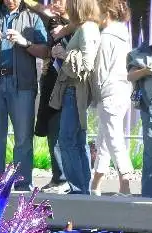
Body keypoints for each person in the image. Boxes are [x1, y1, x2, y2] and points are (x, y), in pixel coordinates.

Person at [0, 0, 49, 190]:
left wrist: (25, 42)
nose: (10, 0)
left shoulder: (32, 18)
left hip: (22, 84)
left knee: (23, 138)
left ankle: (22, 185)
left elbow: (45, 51)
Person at [49, 0, 101, 194]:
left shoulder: (86, 29)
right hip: (75, 91)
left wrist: (64, 54)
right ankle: (82, 189)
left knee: (67, 140)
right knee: (77, 141)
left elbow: (87, 64)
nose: (68, 8)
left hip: (75, 90)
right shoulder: (87, 27)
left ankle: (78, 189)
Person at [90, 0, 132, 196]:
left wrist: (94, 94)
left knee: (113, 138)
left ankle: (125, 183)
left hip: (108, 91)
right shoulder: (124, 34)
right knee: (105, 138)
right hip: (122, 89)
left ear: (106, 14)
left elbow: (100, 70)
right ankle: (96, 184)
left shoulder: (106, 36)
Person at [31, 0, 72, 193]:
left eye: (59, 0)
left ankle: (67, 178)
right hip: (50, 81)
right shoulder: (54, 21)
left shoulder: (79, 24)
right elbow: (40, 9)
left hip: (69, 82)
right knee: (52, 129)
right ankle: (58, 177)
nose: (55, 3)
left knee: (65, 131)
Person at [127, 14, 152, 198]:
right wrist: (146, 71)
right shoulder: (142, 53)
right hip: (151, 109)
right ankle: (148, 196)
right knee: (151, 154)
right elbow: (130, 76)